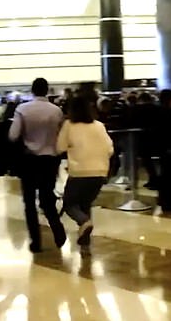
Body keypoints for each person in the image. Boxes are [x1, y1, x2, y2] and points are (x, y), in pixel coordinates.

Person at [9, 78, 67, 253]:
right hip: (50, 159)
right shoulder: (56, 110)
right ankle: (57, 230)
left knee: (29, 201)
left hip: (29, 160)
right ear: (47, 90)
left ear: (32, 91)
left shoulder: (23, 109)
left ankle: (36, 241)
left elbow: (13, 135)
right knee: (47, 198)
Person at [57, 96, 113, 255]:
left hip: (79, 171)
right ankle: (85, 240)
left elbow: (60, 147)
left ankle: (84, 222)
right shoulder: (99, 125)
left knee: (69, 204)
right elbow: (110, 149)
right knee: (85, 204)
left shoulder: (69, 125)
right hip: (100, 172)